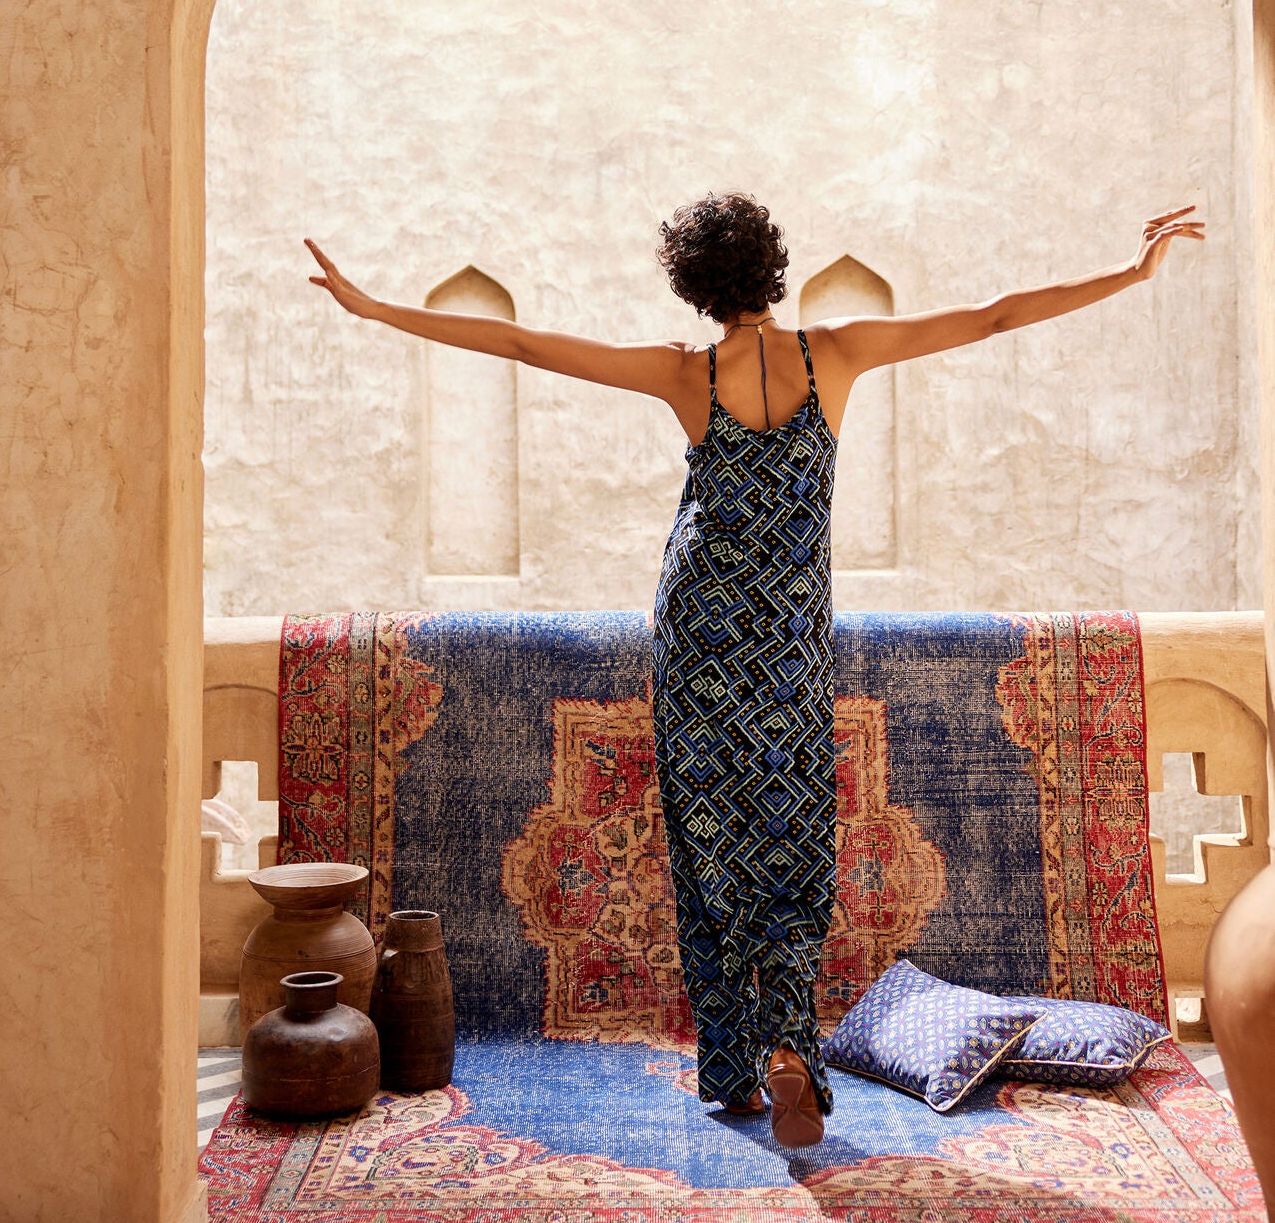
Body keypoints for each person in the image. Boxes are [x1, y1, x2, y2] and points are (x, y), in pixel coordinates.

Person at [305, 193, 1203, 1146]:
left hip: (696, 634)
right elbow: (993, 315)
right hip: (788, 649)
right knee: (792, 841)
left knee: (711, 850)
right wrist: (1130, 272)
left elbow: (524, 346)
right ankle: (788, 1050)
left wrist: (376, 308)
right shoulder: (839, 355)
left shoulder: (686, 375)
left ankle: (735, 1067)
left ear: (693, 285)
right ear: (773, 265)